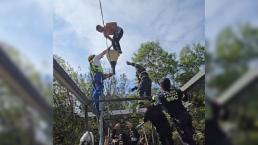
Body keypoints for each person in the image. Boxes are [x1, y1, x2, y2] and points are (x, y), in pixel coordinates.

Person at [157, 78, 196, 145]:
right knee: (192, 134)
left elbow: (161, 106)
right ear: (169, 84)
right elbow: (183, 97)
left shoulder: (161, 96)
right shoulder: (177, 91)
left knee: (186, 139)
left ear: (162, 86)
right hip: (186, 114)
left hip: (178, 119)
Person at [88, 46, 113, 116]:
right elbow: (102, 53)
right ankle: (95, 103)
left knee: (98, 91)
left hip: (97, 78)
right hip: (98, 77)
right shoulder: (95, 59)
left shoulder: (94, 65)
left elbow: (102, 76)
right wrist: (109, 48)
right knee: (98, 90)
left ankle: (97, 108)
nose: (101, 57)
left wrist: (109, 75)